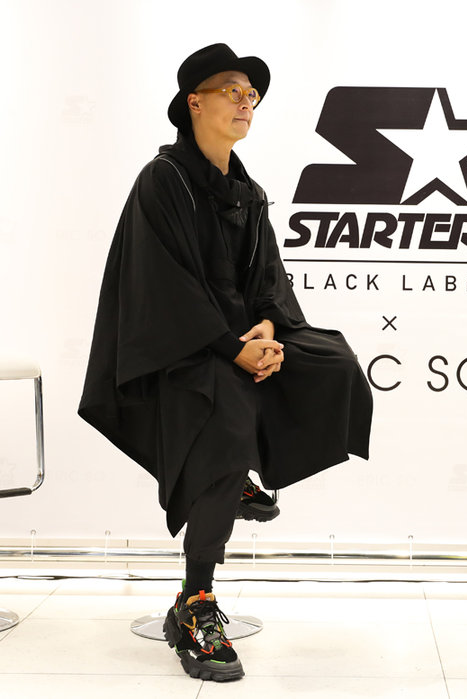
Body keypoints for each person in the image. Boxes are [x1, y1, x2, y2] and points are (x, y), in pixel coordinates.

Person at [79, 43, 373, 682]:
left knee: (331, 361)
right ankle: (195, 603)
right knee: (223, 401)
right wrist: (234, 348)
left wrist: (267, 328)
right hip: (175, 352)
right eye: (232, 91)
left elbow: (268, 279)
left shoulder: (250, 190)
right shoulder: (163, 180)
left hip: (237, 342)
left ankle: (244, 466)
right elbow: (164, 289)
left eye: (252, 94)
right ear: (194, 103)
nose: (246, 102)